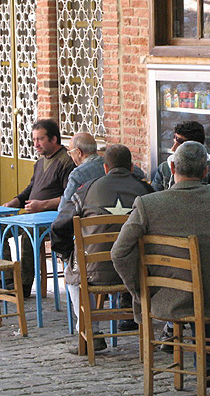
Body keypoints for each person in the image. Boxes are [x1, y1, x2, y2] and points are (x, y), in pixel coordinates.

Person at [111, 141, 210, 387]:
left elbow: (119, 253)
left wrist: (139, 290)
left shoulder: (148, 204)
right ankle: (209, 366)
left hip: (168, 297)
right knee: (206, 284)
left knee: (194, 290)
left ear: (171, 168)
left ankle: (194, 363)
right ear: (205, 171)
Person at [50, 144, 154, 353]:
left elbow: (59, 226)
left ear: (105, 168)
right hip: (136, 271)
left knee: (73, 270)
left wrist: (66, 254)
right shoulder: (146, 191)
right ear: (132, 168)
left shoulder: (86, 190)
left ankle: (91, 331)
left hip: (93, 269)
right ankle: (148, 328)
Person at [0, 119, 75, 296]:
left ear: (54, 139)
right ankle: (8, 280)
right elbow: (30, 189)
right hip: (29, 215)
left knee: (28, 234)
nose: (36, 144)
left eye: (40, 139)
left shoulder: (66, 162)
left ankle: (24, 285)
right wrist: (16, 201)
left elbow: (69, 197)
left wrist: (43, 204)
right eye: (34, 139)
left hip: (51, 219)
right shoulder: (40, 162)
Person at [58, 132, 145, 211]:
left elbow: (63, 208)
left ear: (78, 152)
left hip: (94, 223)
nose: (70, 156)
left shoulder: (78, 174)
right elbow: (139, 173)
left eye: (70, 153)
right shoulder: (113, 162)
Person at [151, 120, 210, 191]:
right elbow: (152, 197)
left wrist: (202, 190)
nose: (173, 149)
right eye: (174, 140)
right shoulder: (164, 168)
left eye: (179, 144)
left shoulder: (209, 168)